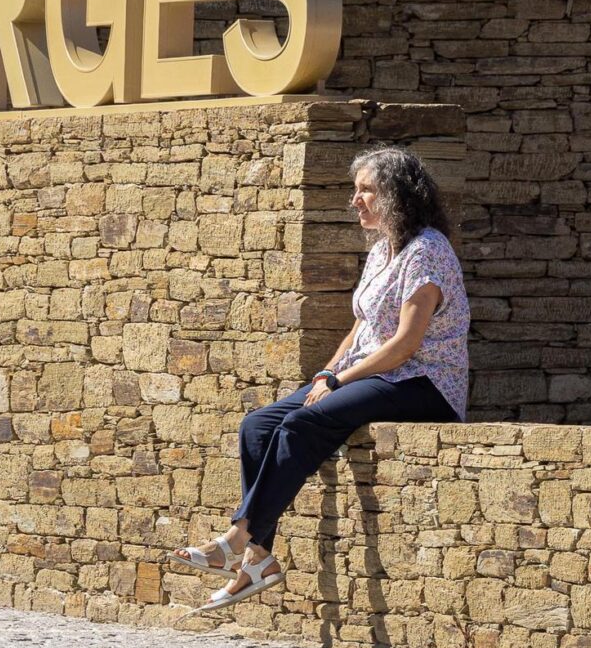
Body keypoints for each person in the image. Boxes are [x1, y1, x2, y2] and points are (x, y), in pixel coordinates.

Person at [167, 145, 470, 612]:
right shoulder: (382, 250)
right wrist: (328, 372)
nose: (356, 200)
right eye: (356, 190)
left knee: (301, 424)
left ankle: (238, 540)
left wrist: (340, 380)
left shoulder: (428, 251)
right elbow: (361, 328)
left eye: (367, 190)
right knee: (258, 425)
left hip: (422, 382)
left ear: (398, 194)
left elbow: (405, 345)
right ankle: (259, 559)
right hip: (373, 374)